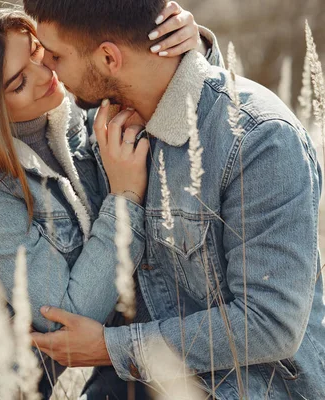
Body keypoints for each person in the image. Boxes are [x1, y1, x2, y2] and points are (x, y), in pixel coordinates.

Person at [0, 1, 221, 399]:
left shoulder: (74, 121)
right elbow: (66, 317)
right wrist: (124, 199)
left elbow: (164, 104)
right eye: (17, 83)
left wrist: (189, 48)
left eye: (36, 53)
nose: (45, 74)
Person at [22, 0, 325, 399]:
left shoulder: (261, 139)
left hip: (246, 388)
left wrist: (108, 348)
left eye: (56, 55)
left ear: (109, 56)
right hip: (131, 387)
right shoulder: (103, 129)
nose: (49, 69)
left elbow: (270, 323)